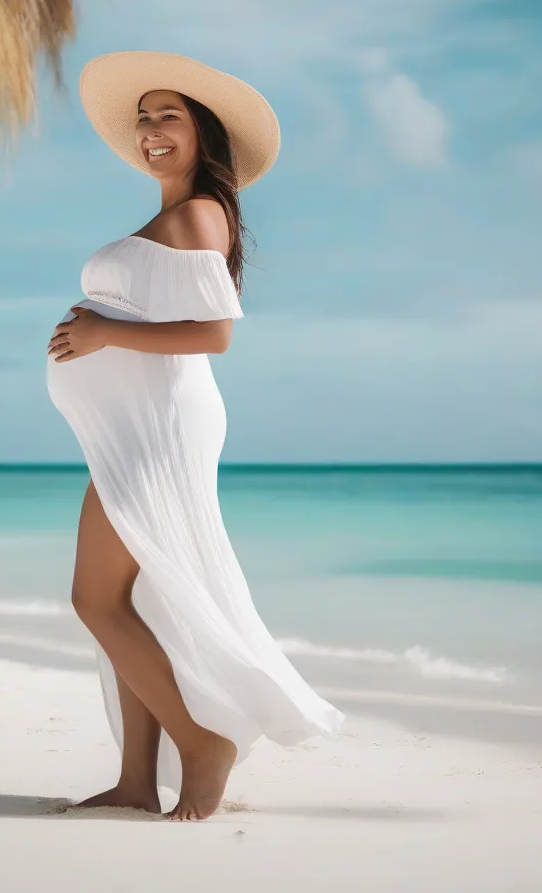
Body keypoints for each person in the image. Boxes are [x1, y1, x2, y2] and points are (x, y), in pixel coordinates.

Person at [46, 51, 344, 821]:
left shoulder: (200, 213)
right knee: (130, 596)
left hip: (161, 429)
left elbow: (214, 333)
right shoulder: (172, 216)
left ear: (204, 133)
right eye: (143, 118)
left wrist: (104, 332)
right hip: (134, 429)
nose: (149, 130)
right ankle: (137, 781)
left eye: (166, 116)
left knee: (97, 599)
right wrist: (102, 336)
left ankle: (201, 745)